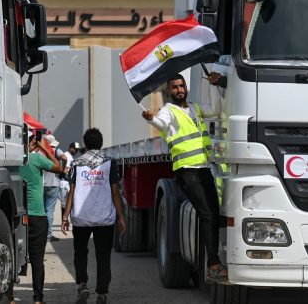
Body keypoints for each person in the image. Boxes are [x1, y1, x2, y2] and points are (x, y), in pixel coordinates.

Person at [141, 71, 226, 281]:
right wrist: (151, 119)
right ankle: (213, 264)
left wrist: (215, 86)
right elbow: (161, 124)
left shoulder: (194, 108)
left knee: (214, 214)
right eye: (174, 87)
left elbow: (216, 109)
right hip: (187, 170)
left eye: (181, 86)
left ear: (185, 87)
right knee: (207, 214)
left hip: (203, 168)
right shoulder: (168, 111)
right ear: (169, 91)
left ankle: (214, 260)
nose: (179, 90)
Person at [61, 128, 126, 304]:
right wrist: (120, 217)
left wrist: (65, 216)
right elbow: (115, 192)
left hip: (81, 218)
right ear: (101, 143)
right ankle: (102, 293)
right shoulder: (109, 162)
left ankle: (82, 284)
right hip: (105, 218)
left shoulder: (76, 163)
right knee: (103, 256)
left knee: (80, 253)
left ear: (86, 144)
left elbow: (72, 191)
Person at [19, 134, 62, 304]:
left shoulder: (11, 160)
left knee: (16, 255)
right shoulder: (36, 158)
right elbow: (58, 167)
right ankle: (38, 299)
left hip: (18, 216)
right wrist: (44, 148)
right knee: (37, 259)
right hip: (37, 216)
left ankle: (9, 296)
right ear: (31, 143)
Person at [43, 134, 64, 242]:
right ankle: (48, 235)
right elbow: (64, 158)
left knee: (41, 210)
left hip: (41, 184)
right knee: (49, 210)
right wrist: (63, 170)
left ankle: (41, 233)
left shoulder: (39, 151)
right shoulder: (56, 150)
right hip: (53, 183)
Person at [59, 142, 80, 218]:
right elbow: (65, 170)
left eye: (77, 150)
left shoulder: (69, 156)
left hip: (66, 182)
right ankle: (64, 219)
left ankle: (65, 219)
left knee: (66, 202)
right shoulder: (67, 156)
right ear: (71, 148)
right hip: (64, 182)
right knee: (64, 202)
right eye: (75, 149)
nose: (76, 151)